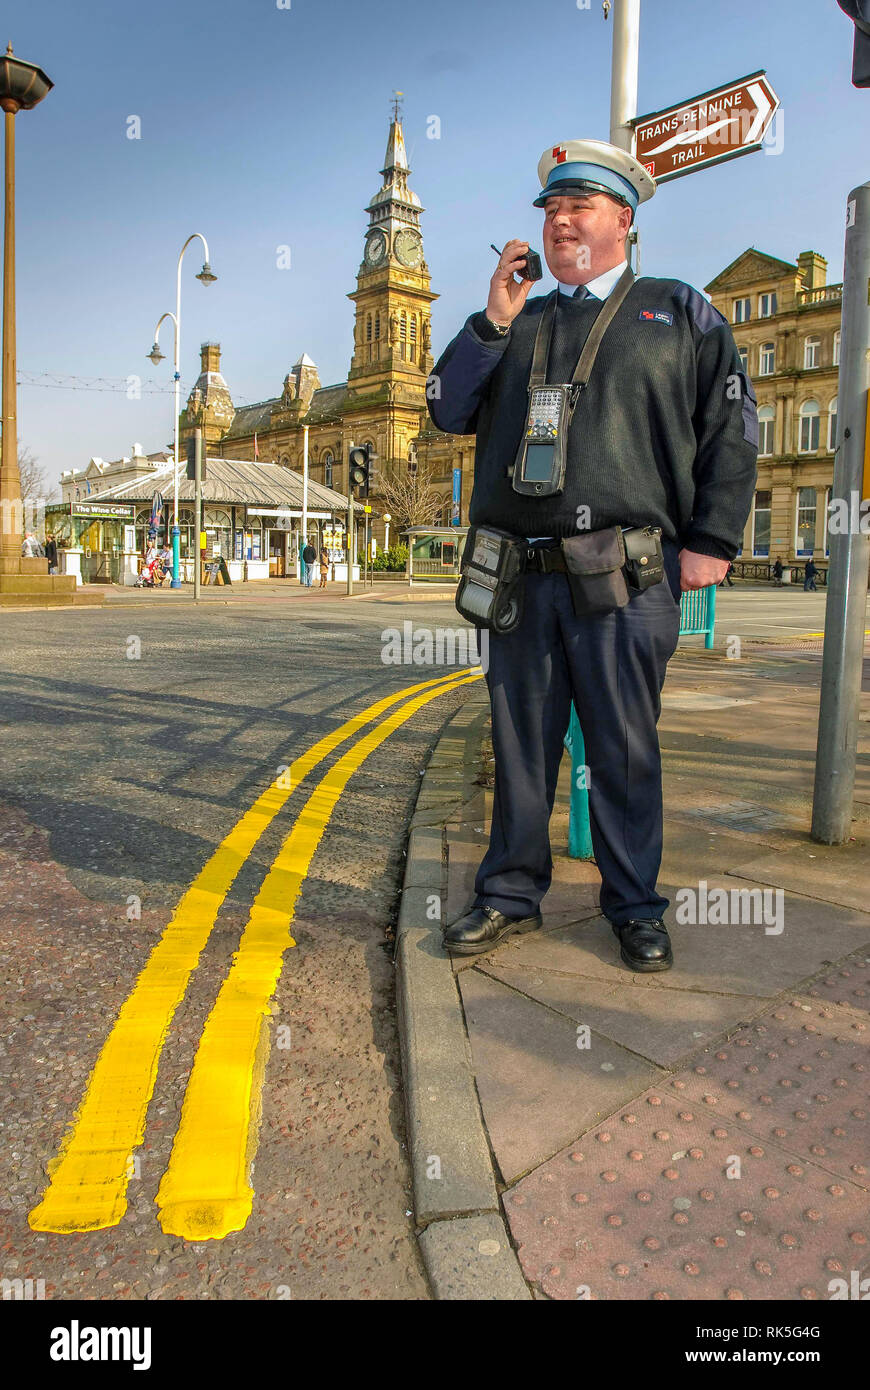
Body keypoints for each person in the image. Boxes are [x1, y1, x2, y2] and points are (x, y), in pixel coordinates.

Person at [428, 139, 757, 972]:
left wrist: (713, 541)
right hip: (519, 576)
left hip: (628, 572)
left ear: (624, 220)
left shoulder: (677, 310)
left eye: (579, 206)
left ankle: (635, 905)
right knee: (520, 747)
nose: (561, 220)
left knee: (622, 748)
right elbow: (444, 408)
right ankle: (508, 893)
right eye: (550, 208)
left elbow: (731, 428)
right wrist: (492, 320)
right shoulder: (514, 319)